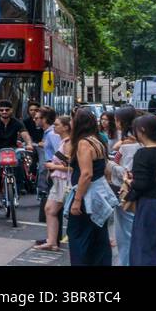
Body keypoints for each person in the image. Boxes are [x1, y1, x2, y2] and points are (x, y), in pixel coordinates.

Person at [66, 107, 113, 266]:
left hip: (87, 198)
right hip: (99, 194)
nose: (70, 123)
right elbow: (105, 168)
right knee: (98, 238)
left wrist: (77, 200)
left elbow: (86, 174)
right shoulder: (97, 140)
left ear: (78, 123)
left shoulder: (83, 143)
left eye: (72, 120)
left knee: (78, 236)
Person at [123, 113, 156, 266]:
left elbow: (142, 184)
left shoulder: (143, 154)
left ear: (142, 130)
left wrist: (128, 181)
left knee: (145, 249)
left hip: (150, 206)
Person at [0, 99, 32, 219]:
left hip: (12, 150)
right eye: (1, 110)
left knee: (19, 167)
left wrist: (28, 144)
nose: (4, 112)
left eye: (7, 110)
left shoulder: (17, 122)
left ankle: (17, 191)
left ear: (11, 110)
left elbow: (25, 134)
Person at [108, 105, 140, 265]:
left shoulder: (129, 145)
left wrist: (110, 165)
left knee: (125, 235)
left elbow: (126, 172)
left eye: (116, 120)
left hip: (125, 192)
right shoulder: (133, 141)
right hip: (128, 192)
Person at [34, 110, 68, 252]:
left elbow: (67, 162)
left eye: (57, 125)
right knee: (50, 208)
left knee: (64, 210)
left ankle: (54, 240)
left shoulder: (57, 137)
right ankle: (52, 241)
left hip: (62, 177)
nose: (55, 127)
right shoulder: (53, 135)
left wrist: (52, 167)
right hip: (56, 175)